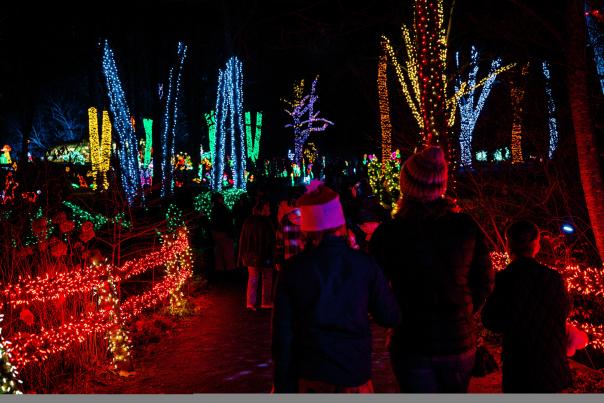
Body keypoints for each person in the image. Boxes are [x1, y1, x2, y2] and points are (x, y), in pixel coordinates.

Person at [370, 146, 493, 393]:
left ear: (407, 185)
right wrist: (465, 310)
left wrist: (393, 319)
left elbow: (374, 290)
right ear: (442, 185)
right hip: (459, 340)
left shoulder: (389, 233)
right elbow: (485, 281)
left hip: (411, 342)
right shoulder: (466, 227)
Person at [272, 181, 400, 393]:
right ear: (340, 224)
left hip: (310, 373)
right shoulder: (363, 264)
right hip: (353, 371)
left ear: (308, 230)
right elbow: (389, 315)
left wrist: (282, 383)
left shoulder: (293, 270)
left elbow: (282, 335)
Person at [481, 220, 573, 393]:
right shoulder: (553, 278)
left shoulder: (503, 279)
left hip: (519, 362)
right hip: (551, 362)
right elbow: (564, 311)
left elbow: (490, 320)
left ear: (508, 245)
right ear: (536, 245)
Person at [238, 198, 276, 311]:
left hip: (250, 255)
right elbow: (270, 240)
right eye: (267, 207)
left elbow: (243, 239)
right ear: (262, 209)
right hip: (264, 255)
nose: (269, 210)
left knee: (253, 278)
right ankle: (266, 301)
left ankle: (250, 302)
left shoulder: (248, 221)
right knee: (267, 278)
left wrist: (242, 255)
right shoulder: (266, 222)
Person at [274, 198, 305, 271]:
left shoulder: (284, 221)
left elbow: (279, 243)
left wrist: (278, 260)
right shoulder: (308, 220)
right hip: (305, 260)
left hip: (289, 260)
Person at [210, 193, 236, 272]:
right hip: (224, 233)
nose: (223, 199)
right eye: (222, 198)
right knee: (228, 252)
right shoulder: (222, 208)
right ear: (219, 199)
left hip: (215, 232)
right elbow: (227, 220)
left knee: (218, 252)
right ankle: (230, 270)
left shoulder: (214, 208)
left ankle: (219, 270)